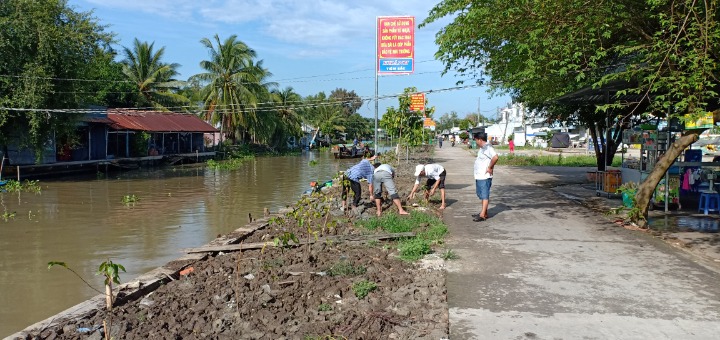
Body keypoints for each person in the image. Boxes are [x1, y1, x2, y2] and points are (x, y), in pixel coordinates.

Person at [473, 132, 498, 222]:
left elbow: (495, 157)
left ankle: (482, 215)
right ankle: (484, 212)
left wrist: (490, 167)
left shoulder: (488, 147)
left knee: (484, 195)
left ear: (480, 139)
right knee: (481, 195)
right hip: (479, 176)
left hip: (484, 176)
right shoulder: (483, 148)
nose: (475, 142)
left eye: (476, 140)